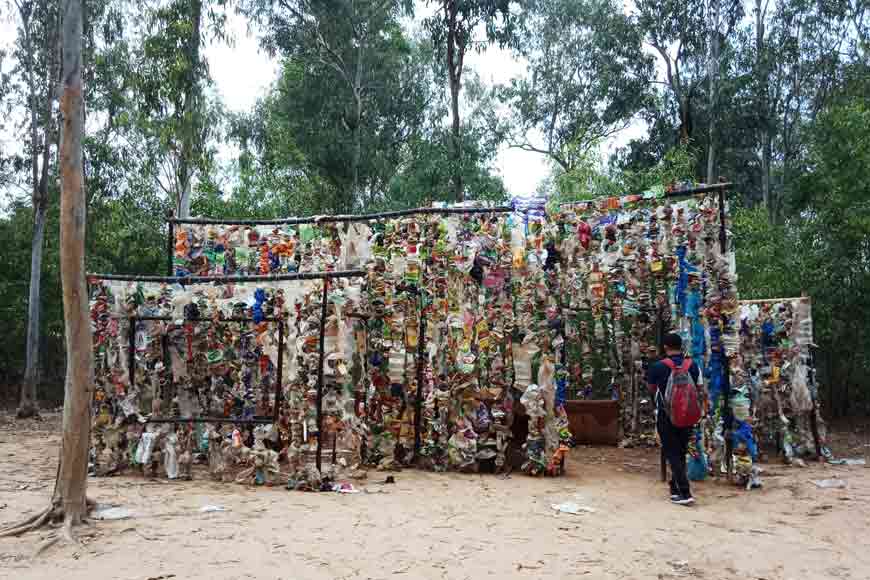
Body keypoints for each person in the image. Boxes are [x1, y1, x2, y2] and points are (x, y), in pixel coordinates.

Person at [647, 332, 703, 506]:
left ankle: (685, 492)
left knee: (672, 452)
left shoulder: (658, 367)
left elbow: (651, 389)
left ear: (665, 347)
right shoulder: (693, 365)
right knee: (680, 450)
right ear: (681, 346)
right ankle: (675, 488)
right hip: (688, 414)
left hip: (667, 414)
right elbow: (700, 388)